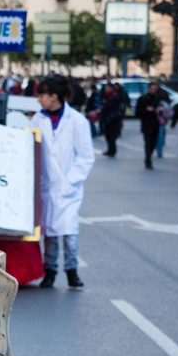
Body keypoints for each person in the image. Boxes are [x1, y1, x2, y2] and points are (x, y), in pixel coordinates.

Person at [29, 76, 95, 289]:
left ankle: (71, 271)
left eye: (41, 95)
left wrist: (70, 180)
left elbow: (85, 156)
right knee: (48, 232)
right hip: (46, 185)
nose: (38, 100)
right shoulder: (37, 120)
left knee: (69, 232)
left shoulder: (77, 121)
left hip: (69, 186)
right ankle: (50, 271)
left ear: (53, 97)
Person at [136, 81, 163, 169]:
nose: (153, 91)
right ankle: (148, 159)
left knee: (153, 143)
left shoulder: (158, 99)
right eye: (152, 89)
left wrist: (157, 110)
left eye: (155, 89)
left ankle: (149, 157)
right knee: (148, 143)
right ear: (148, 89)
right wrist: (146, 109)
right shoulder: (143, 98)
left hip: (155, 124)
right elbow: (138, 112)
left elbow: (163, 110)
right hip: (146, 124)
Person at [99, 82, 124, 157]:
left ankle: (112, 150)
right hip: (107, 119)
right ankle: (110, 149)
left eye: (107, 88)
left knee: (112, 136)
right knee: (107, 135)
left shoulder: (114, 96)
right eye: (105, 89)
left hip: (113, 119)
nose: (106, 90)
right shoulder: (105, 96)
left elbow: (115, 107)